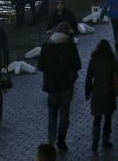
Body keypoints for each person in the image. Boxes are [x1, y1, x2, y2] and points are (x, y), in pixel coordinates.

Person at [37, 22, 82, 151]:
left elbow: (40, 66)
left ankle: (51, 140)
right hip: (66, 86)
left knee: (52, 113)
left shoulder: (46, 46)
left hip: (52, 86)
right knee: (64, 113)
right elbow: (77, 65)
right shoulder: (70, 46)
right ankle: (61, 142)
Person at [84, 40, 118, 152]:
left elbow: (88, 78)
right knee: (108, 118)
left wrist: (87, 92)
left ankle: (94, 143)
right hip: (109, 93)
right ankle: (105, 142)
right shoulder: (112, 61)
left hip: (96, 93)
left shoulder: (93, 60)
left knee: (96, 119)